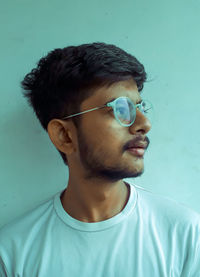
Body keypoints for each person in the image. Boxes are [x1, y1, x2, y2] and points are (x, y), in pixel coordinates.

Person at [0, 42, 199, 277]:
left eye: (139, 106)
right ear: (64, 135)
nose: (144, 124)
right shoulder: (13, 252)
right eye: (120, 109)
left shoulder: (184, 233)